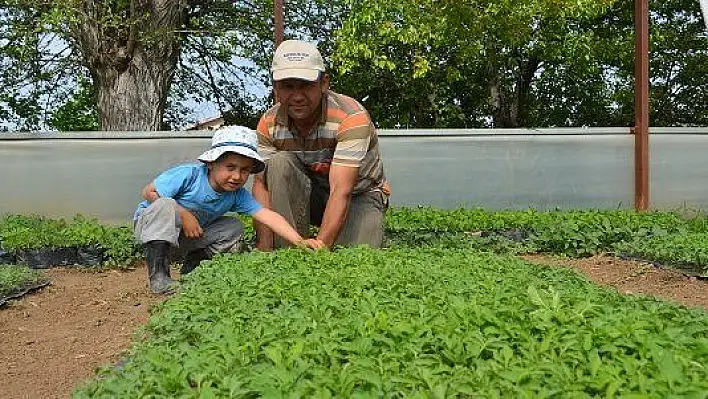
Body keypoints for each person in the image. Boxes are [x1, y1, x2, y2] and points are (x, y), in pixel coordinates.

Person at [133, 126, 324, 294]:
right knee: (164, 204)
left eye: (245, 170)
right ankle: (159, 277)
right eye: (230, 167)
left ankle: (193, 268)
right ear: (211, 163)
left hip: (186, 238)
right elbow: (149, 192)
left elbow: (268, 216)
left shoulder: (237, 194)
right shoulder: (189, 175)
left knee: (233, 226)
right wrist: (185, 215)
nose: (236, 176)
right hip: (152, 230)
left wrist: (299, 241)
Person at [253, 39, 391, 251]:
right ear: (275, 88)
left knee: (359, 256)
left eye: (306, 85)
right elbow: (261, 186)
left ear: (324, 83)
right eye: (287, 87)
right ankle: (286, 251)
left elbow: (341, 189)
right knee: (278, 163)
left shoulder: (351, 117)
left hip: (358, 195)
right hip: (311, 194)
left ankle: (322, 243)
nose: (297, 96)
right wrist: (265, 247)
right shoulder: (268, 123)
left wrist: (321, 246)